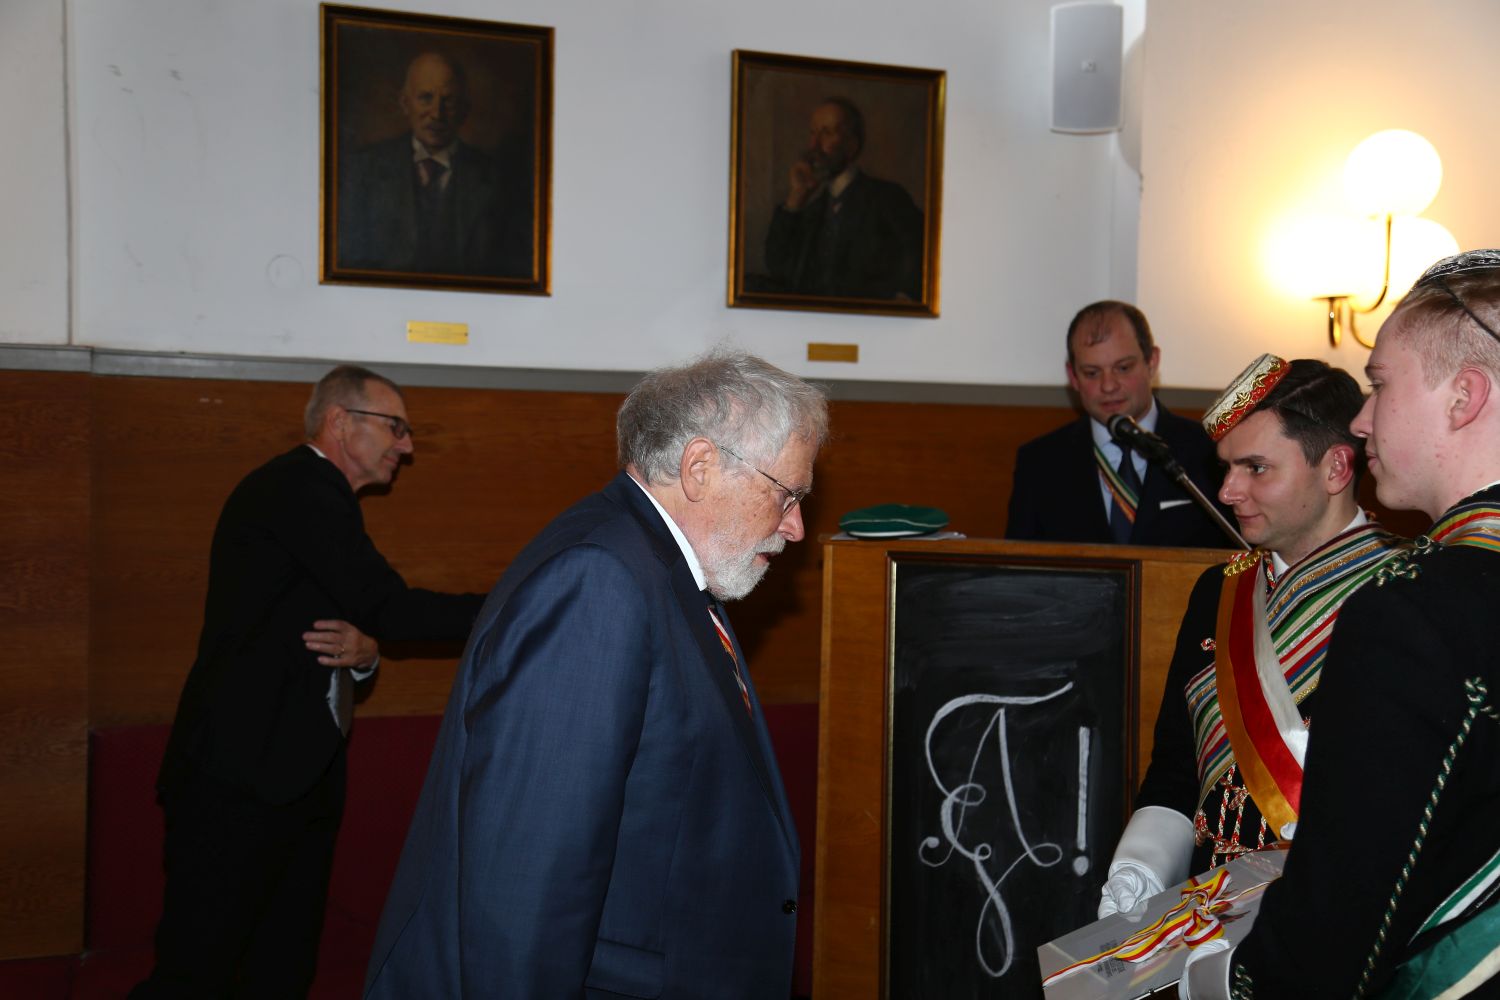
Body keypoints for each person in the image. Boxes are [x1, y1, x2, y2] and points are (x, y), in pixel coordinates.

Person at [363, 350, 826, 998]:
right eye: (787, 494)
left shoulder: (657, 564)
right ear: (700, 467)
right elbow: (527, 880)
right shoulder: (599, 582)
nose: (795, 527)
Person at [1181, 251, 1500, 997]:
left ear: (1464, 397)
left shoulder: (1409, 611)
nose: (1360, 421)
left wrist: (1228, 982)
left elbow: (1341, 920)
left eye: (1380, 385)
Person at [132, 365, 485, 998]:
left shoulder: (318, 499)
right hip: (238, 777)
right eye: (395, 427)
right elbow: (388, 607)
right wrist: (516, 605)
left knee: (282, 966)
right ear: (340, 422)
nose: (406, 446)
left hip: (296, 773)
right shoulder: (299, 488)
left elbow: (334, 628)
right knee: (197, 969)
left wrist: (367, 652)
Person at [1097, 355, 1406, 924]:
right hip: (1211, 917)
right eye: (1227, 468)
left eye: (1256, 468)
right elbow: (1177, 766)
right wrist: (1140, 865)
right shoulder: (1220, 591)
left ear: (1336, 468)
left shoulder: (1409, 593)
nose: (1228, 491)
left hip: (1343, 919)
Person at [1007, 300, 1232, 546]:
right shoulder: (1039, 463)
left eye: (1123, 368)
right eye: (1092, 373)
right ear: (1073, 376)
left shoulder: (1209, 450)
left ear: (1152, 362)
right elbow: (1019, 566)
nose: (1108, 386)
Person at [337, 51, 532, 278]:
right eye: (425, 98)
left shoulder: (499, 180)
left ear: (464, 110)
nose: (437, 114)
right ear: (405, 103)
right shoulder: (363, 170)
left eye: (448, 100)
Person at [762, 96, 924, 300]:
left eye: (827, 133)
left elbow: (921, 258)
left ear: (851, 145)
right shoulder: (813, 210)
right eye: (813, 133)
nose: (814, 144)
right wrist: (796, 197)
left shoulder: (887, 197)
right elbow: (777, 268)